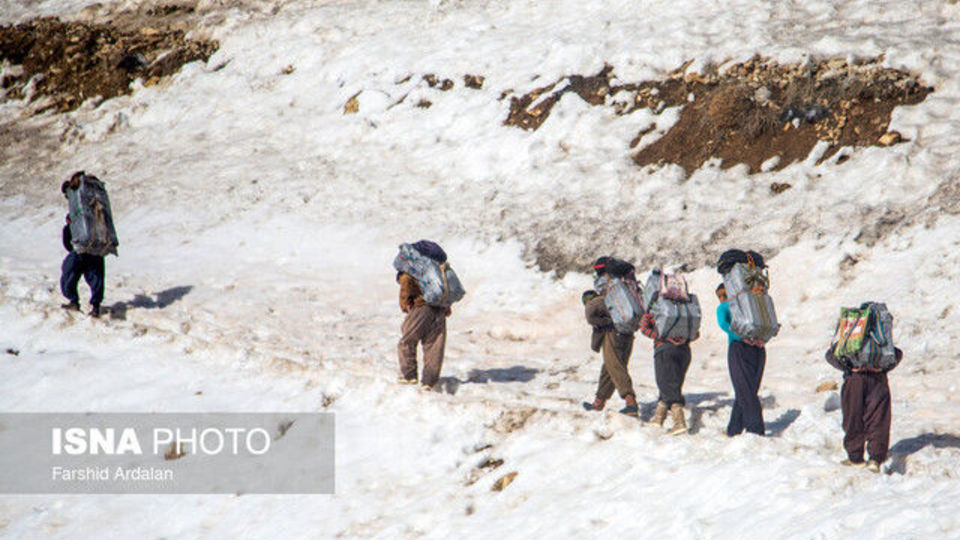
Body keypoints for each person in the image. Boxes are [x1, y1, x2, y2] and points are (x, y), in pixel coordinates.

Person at [825, 344, 902, 473]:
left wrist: (848, 368)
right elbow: (897, 354)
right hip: (878, 379)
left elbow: (830, 355)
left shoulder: (853, 332)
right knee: (878, 418)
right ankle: (875, 459)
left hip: (855, 380)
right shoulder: (881, 334)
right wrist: (882, 368)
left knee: (853, 416)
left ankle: (855, 458)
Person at [581, 286, 639, 417]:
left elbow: (590, 318)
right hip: (627, 334)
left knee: (615, 366)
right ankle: (599, 402)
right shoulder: (609, 301)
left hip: (612, 334)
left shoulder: (594, 302)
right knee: (608, 367)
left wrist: (606, 322)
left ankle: (631, 403)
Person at [716, 283, 765, 436]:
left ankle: (755, 430)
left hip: (739, 348)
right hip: (759, 349)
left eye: (721, 295)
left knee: (745, 390)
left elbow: (724, 324)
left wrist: (742, 337)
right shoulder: (750, 305)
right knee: (747, 389)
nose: (721, 299)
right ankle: (734, 428)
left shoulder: (724, 307)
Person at [639, 311, 695, 434]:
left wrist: (663, 336)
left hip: (665, 350)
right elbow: (696, 333)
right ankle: (659, 418)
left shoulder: (655, 310)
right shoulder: (686, 308)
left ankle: (679, 422)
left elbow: (643, 328)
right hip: (685, 351)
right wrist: (683, 338)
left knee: (666, 384)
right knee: (672, 384)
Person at [59, 173, 105, 317]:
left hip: (81, 248)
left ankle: (75, 301)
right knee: (95, 277)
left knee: (70, 273)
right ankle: (95, 306)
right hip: (94, 246)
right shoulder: (94, 197)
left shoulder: (80, 196)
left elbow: (67, 243)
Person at [396, 271, 450, 390]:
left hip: (421, 307)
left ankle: (409, 375)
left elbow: (405, 285)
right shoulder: (437, 267)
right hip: (439, 309)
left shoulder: (410, 267)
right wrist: (447, 305)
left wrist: (405, 306)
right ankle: (429, 381)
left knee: (407, 341)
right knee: (434, 346)